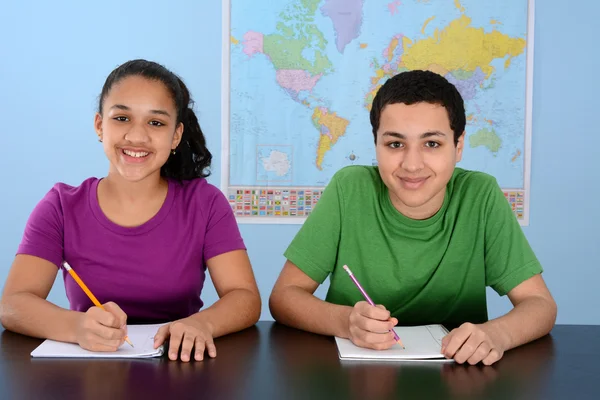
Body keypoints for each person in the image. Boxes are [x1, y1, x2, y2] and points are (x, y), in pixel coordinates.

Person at [269, 70, 556, 365]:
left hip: (458, 376)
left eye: (431, 144)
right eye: (395, 144)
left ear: (458, 146)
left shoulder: (480, 195)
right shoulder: (348, 189)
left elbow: (540, 304)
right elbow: (284, 297)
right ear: (376, 144)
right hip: (353, 374)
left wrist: (498, 334)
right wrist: (346, 321)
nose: (412, 164)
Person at [0, 59, 261, 362]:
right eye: (122, 118)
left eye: (156, 122)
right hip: (92, 372)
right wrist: (76, 327)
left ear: (176, 136)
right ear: (100, 125)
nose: (136, 137)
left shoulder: (206, 203)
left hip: (182, 368)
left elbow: (245, 298)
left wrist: (203, 323)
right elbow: (13, 304)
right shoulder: (60, 206)